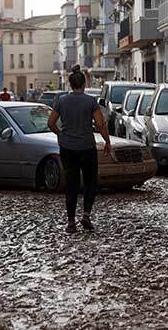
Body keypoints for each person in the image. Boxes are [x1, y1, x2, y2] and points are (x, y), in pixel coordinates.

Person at [48, 65, 111, 233]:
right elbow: (100, 124)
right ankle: (86, 215)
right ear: (84, 84)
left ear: (70, 84)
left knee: (72, 184)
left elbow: (50, 123)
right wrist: (107, 141)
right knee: (90, 182)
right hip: (86, 147)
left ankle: (70, 223)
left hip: (67, 148)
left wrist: (61, 135)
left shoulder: (61, 101)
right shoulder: (90, 102)